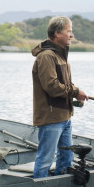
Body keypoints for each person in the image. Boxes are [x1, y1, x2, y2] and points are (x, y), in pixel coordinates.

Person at [32, 16, 88, 178]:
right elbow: (52, 87)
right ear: (57, 33)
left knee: (66, 157)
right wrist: (75, 92)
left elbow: (65, 84)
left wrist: (76, 92)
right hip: (51, 117)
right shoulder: (46, 56)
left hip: (65, 115)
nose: (72, 35)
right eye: (69, 31)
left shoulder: (60, 56)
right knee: (45, 159)